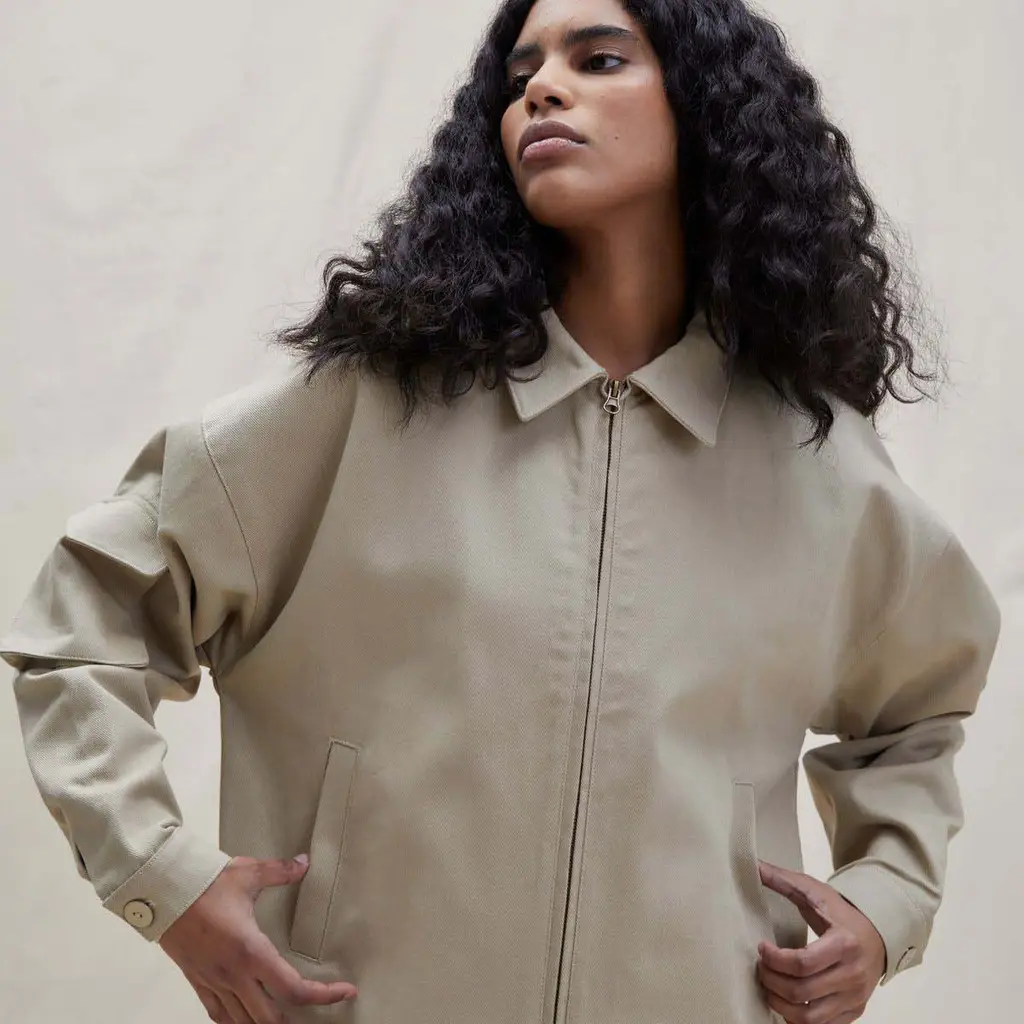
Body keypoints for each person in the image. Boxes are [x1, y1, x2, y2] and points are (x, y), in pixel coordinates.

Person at [2, 0, 1001, 1022]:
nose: (542, 89)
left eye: (598, 59)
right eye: (521, 74)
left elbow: (916, 712)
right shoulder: (368, 407)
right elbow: (85, 620)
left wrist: (883, 904)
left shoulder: (811, 462)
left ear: (708, 104)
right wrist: (162, 880)